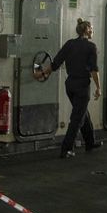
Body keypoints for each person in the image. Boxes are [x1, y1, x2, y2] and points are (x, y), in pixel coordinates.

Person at [36, 19, 100, 158]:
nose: (93, 30)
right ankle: (66, 149)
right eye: (92, 28)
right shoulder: (91, 47)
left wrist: (42, 73)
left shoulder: (69, 44)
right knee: (77, 118)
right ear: (87, 30)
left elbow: (55, 63)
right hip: (82, 86)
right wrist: (98, 87)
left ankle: (90, 142)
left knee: (82, 113)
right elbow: (94, 70)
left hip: (70, 85)